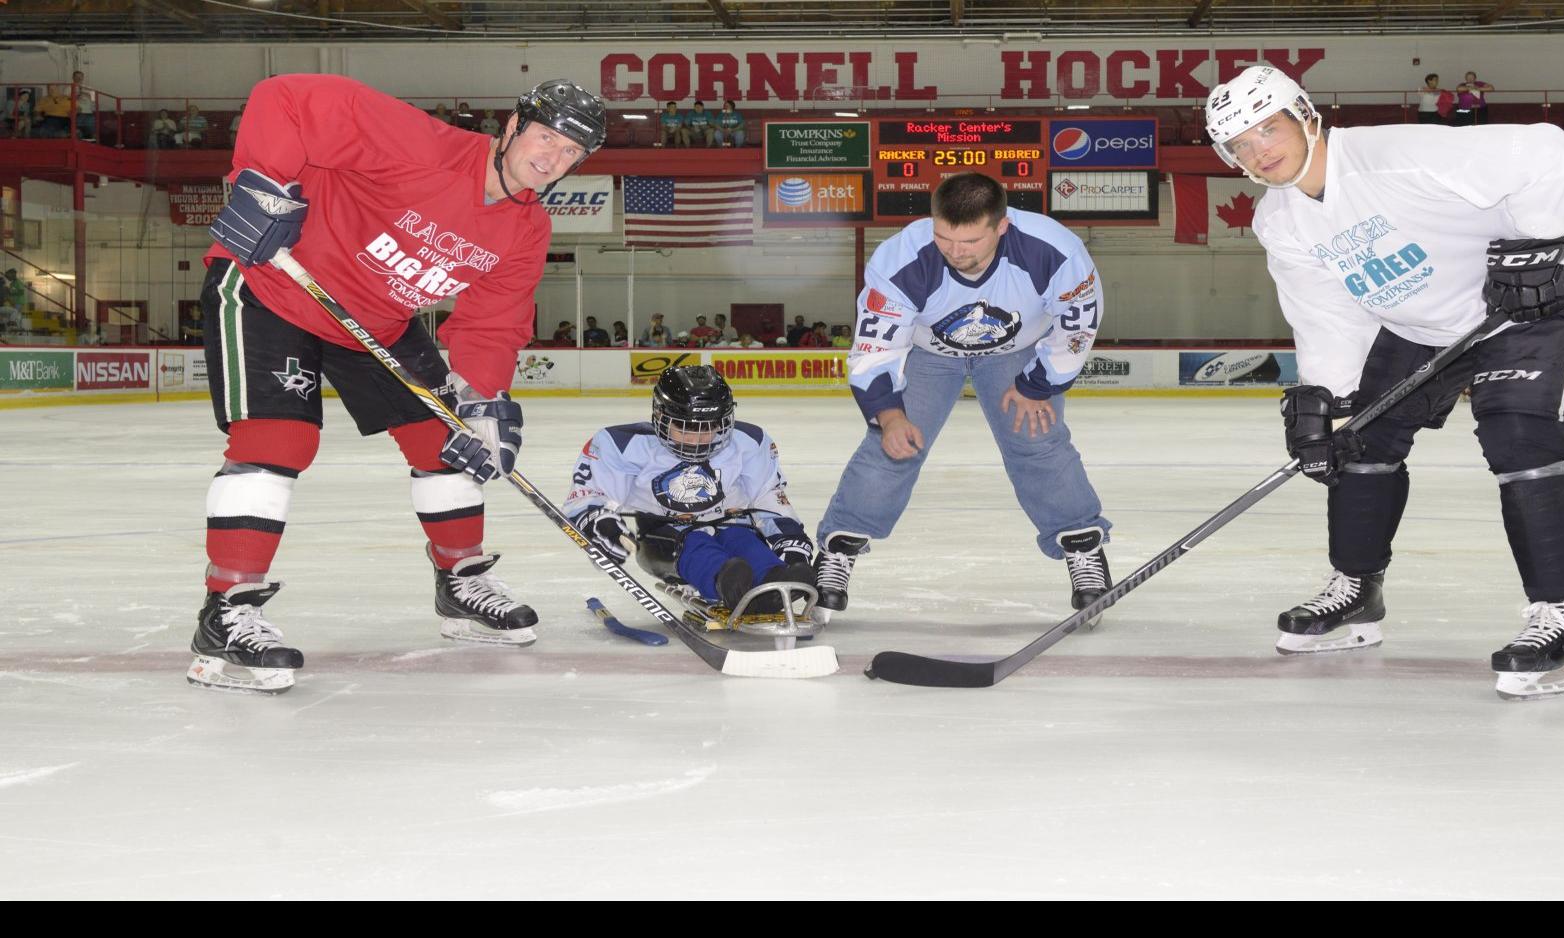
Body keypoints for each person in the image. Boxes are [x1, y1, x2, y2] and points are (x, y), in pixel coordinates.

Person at [1205, 65, 1564, 700]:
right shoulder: (1281, 220)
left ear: (1306, 116)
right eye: (1240, 144)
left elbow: (1549, 151)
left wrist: (1536, 244)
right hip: (1421, 326)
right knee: (1359, 444)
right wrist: (1326, 398)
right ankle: (1357, 592)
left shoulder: (1394, 155)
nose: (1260, 150)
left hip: (1534, 308)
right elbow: (1327, 309)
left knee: (1521, 440)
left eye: (1267, 128)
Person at [190, 74, 607, 693]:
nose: (551, 158)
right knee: (277, 443)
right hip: (274, 287)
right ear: (513, 127)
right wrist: (270, 186)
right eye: (545, 137)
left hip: (376, 321)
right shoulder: (422, 147)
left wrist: (483, 403)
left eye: (570, 152)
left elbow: (492, 324)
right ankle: (227, 614)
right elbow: (286, 98)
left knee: (450, 439)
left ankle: (461, 581)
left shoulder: (526, 229)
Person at [814, 171, 1112, 618]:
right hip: (928, 351)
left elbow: (1077, 325)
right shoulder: (902, 260)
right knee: (892, 446)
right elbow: (876, 347)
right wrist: (889, 414)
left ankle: (1081, 545)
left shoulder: (1054, 250)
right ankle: (839, 549)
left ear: (1001, 227)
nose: (954, 252)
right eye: (944, 238)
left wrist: (1039, 384)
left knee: (1038, 441)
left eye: (970, 241)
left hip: (1017, 351)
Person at [562, 366, 815, 616]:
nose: (697, 440)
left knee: (743, 538)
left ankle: (774, 580)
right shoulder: (622, 444)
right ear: (660, 418)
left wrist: (790, 540)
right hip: (665, 539)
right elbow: (588, 497)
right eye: (684, 428)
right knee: (697, 545)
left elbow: (768, 497)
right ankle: (724, 582)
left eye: (709, 428)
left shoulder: (750, 442)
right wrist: (602, 525)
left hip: (732, 525)